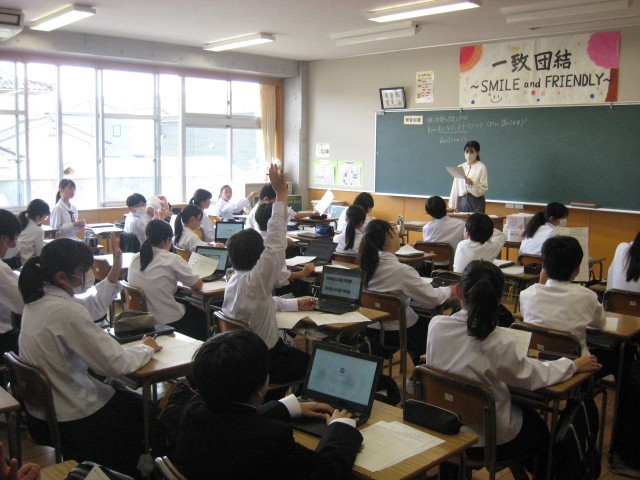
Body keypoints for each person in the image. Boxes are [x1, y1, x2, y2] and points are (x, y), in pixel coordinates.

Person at [426, 260, 601, 479]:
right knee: (540, 432)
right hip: (488, 440)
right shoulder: (499, 341)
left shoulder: (436, 326)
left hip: (445, 428)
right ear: (500, 299)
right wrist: (572, 365)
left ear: (458, 290)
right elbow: (530, 376)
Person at [18, 238, 162, 476]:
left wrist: (114, 271)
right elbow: (116, 364)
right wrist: (146, 348)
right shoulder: (65, 311)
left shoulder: (38, 301)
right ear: (62, 277)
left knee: (124, 396)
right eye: (83, 270)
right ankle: (133, 469)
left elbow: (90, 306)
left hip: (42, 415)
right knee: (143, 409)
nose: (88, 274)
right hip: (74, 417)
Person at [174, 330, 362, 480]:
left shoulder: (192, 412)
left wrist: (286, 407)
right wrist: (341, 427)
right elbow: (328, 472)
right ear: (260, 388)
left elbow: (235, 421)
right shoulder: (272, 439)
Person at [223, 165, 313, 386]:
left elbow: (261, 304)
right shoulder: (256, 281)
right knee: (318, 366)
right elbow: (275, 238)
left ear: (231, 258)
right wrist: (281, 192)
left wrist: (294, 304)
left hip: (244, 361)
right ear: (259, 256)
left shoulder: (234, 281)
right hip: (266, 360)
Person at [358, 219, 453, 366]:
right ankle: (422, 371)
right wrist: (449, 290)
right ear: (390, 234)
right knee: (433, 327)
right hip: (398, 332)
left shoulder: (365, 265)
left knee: (417, 319)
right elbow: (432, 299)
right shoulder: (402, 271)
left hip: (371, 328)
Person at [520, 235, 605, 356]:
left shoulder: (526, 294)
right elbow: (600, 324)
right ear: (577, 269)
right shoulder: (588, 296)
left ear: (543, 266)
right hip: (575, 362)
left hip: (537, 359)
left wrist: (541, 282)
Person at [128, 219, 207, 340]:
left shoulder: (135, 258)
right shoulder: (172, 259)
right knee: (203, 316)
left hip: (141, 317)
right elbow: (197, 285)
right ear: (167, 239)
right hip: (166, 318)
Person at [255, 202, 315, 284]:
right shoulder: (274, 244)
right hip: (275, 286)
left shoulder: (257, 238)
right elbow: (280, 277)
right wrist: (303, 273)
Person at [0, 210, 23, 357]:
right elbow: (22, 303)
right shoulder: (1, 269)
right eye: (12, 239)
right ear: (2, 238)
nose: (14, 244)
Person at [245, 183, 317, 231]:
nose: (279, 204)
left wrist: (312, 213)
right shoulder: (257, 213)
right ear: (266, 199)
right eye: (277, 201)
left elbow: (294, 214)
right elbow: (262, 235)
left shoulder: (273, 208)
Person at [448, 140, 488, 213]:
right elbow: (455, 188)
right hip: (462, 201)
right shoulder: (460, 167)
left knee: (475, 220)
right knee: (461, 220)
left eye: (472, 152)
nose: (468, 154)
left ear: (477, 152)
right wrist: (452, 206)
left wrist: (472, 184)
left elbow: (484, 188)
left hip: (476, 201)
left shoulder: (481, 167)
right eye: (466, 151)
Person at [18, 199, 50, 266]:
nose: (44, 220)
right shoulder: (38, 230)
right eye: (44, 217)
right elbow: (40, 254)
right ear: (38, 217)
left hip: (18, 262)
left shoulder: (21, 223)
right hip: (29, 265)